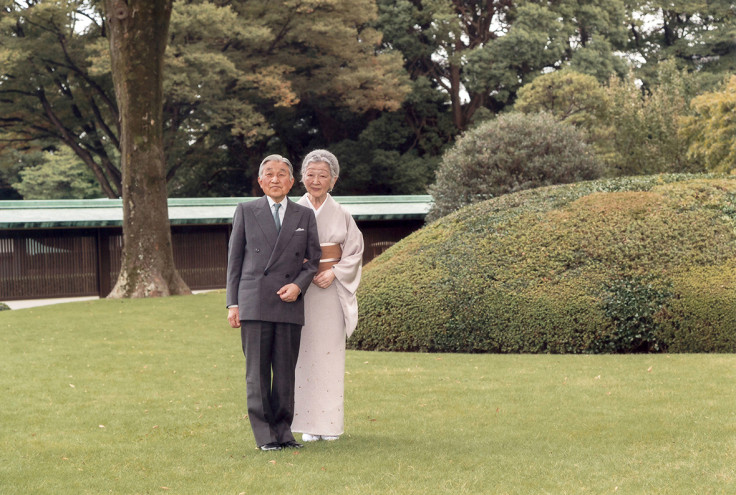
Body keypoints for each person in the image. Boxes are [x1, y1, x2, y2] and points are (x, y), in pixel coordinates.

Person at [226, 154, 321, 451]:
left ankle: (284, 433)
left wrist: (298, 286)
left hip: (289, 301)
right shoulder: (245, 210)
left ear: (292, 182)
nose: (276, 179)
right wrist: (233, 303)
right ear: (260, 181)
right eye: (270, 174)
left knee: (284, 372)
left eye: (282, 174)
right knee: (256, 373)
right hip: (254, 301)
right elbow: (235, 261)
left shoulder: (304, 215)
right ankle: (264, 436)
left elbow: (313, 260)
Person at [292, 149, 364, 442]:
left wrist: (333, 273)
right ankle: (308, 425)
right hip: (303, 292)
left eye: (323, 175)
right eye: (311, 174)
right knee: (302, 358)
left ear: (333, 180)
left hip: (331, 292)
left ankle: (330, 425)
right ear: (302, 178)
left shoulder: (343, 214)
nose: (316, 180)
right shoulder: (292, 211)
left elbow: (355, 252)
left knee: (330, 357)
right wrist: (304, 276)